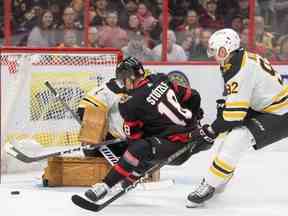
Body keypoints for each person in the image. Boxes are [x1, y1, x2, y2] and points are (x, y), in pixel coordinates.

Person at [83, 57, 209, 202]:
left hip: (174, 149)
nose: (122, 83)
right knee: (146, 145)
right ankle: (131, 178)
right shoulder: (160, 79)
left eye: (122, 79)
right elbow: (193, 96)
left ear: (129, 77)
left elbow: (135, 141)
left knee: (138, 148)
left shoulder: (129, 103)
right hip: (195, 137)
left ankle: (105, 186)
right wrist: (195, 118)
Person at [186, 28, 288, 208]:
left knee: (237, 138)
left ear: (225, 49)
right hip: (266, 106)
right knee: (227, 137)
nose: (212, 54)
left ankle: (209, 184)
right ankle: (219, 180)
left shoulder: (241, 69)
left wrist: (211, 130)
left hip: (281, 113)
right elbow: (238, 98)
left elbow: (234, 116)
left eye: (215, 50)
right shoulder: (235, 60)